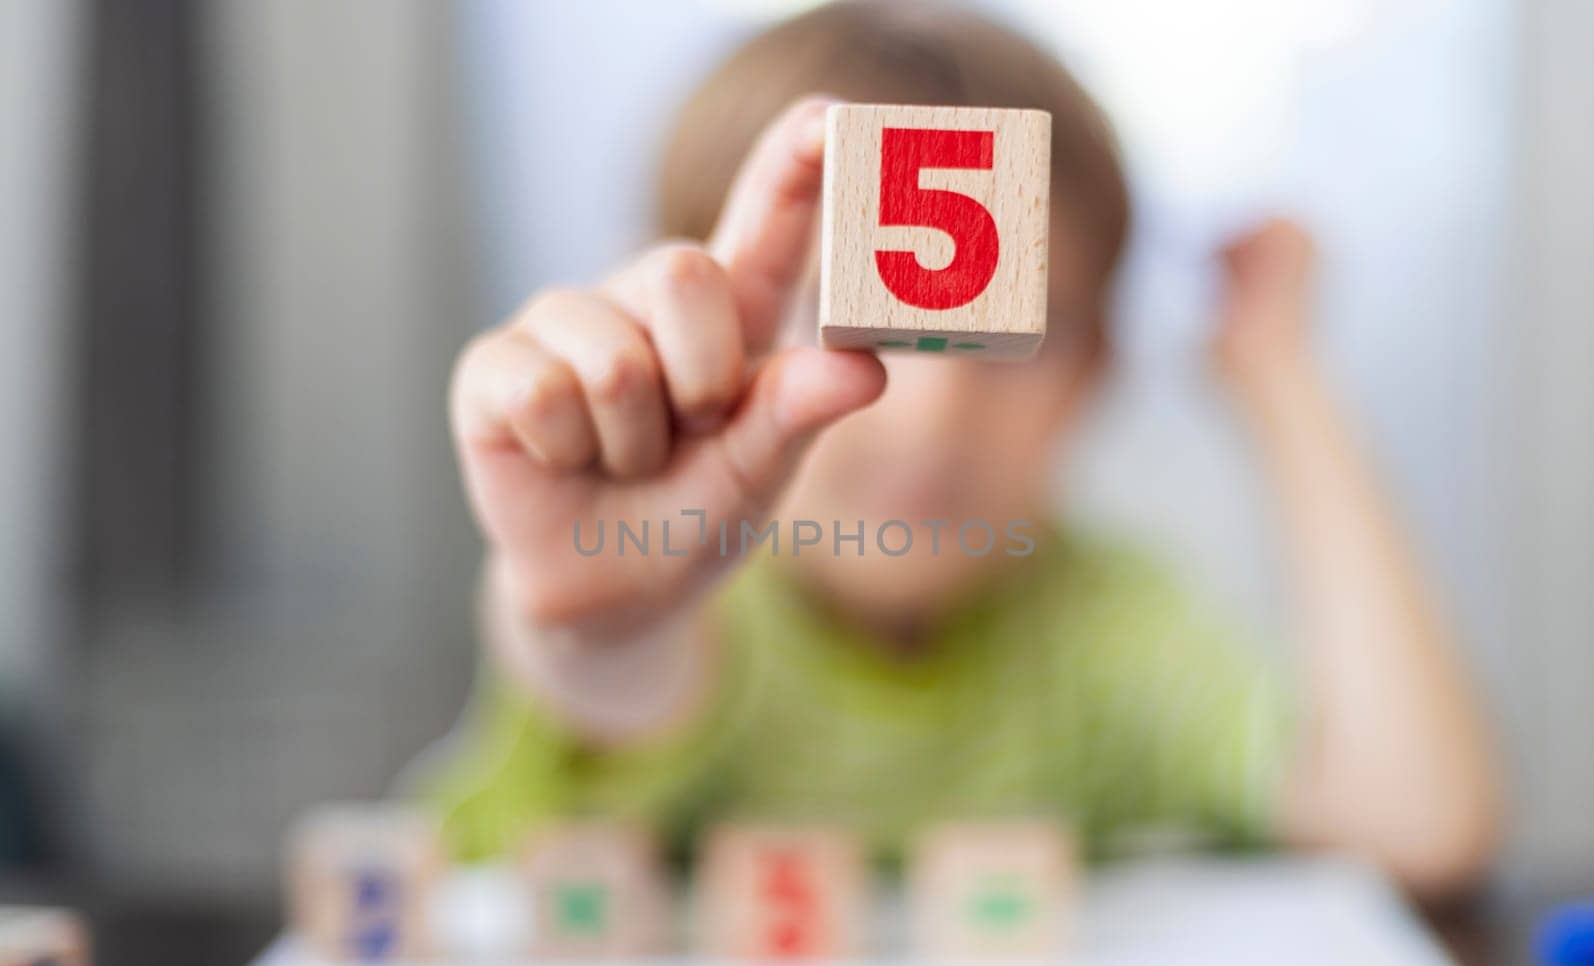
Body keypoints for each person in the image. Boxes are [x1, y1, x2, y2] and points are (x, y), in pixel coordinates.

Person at [430, 0, 1500, 897]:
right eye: (839, 314)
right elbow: (616, 662)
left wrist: (1280, 376)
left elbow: (1419, 818)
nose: (930, 407)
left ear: (1093, 374)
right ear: (690, 342)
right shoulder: (698, 613)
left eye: (1009, 333)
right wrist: (588, 612)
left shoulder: (1107, 629)